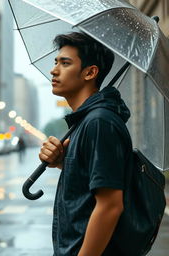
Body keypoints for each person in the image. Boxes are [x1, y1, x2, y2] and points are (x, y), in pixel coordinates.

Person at [39, 32, 132, 256]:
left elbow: (110, 206)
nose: (54, 70)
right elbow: (89, 181)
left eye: (65, 63)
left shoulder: (99, 122)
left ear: (90, 72)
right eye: (56, 62)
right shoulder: (87, 121)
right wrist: (64, 161)